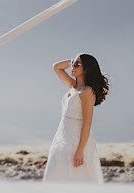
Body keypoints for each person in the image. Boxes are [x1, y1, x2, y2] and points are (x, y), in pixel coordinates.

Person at [43, 53, 109, 183]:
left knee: (76, 177)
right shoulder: (74, 86)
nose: (73, 66)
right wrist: (71, 61)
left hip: (77, 140)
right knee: (57, 175)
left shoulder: (87, 92)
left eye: (77, 64)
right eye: (74, 63)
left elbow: (87, 123)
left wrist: (80, 151)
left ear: (86, 69)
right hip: (63, 137)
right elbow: (56, 67)